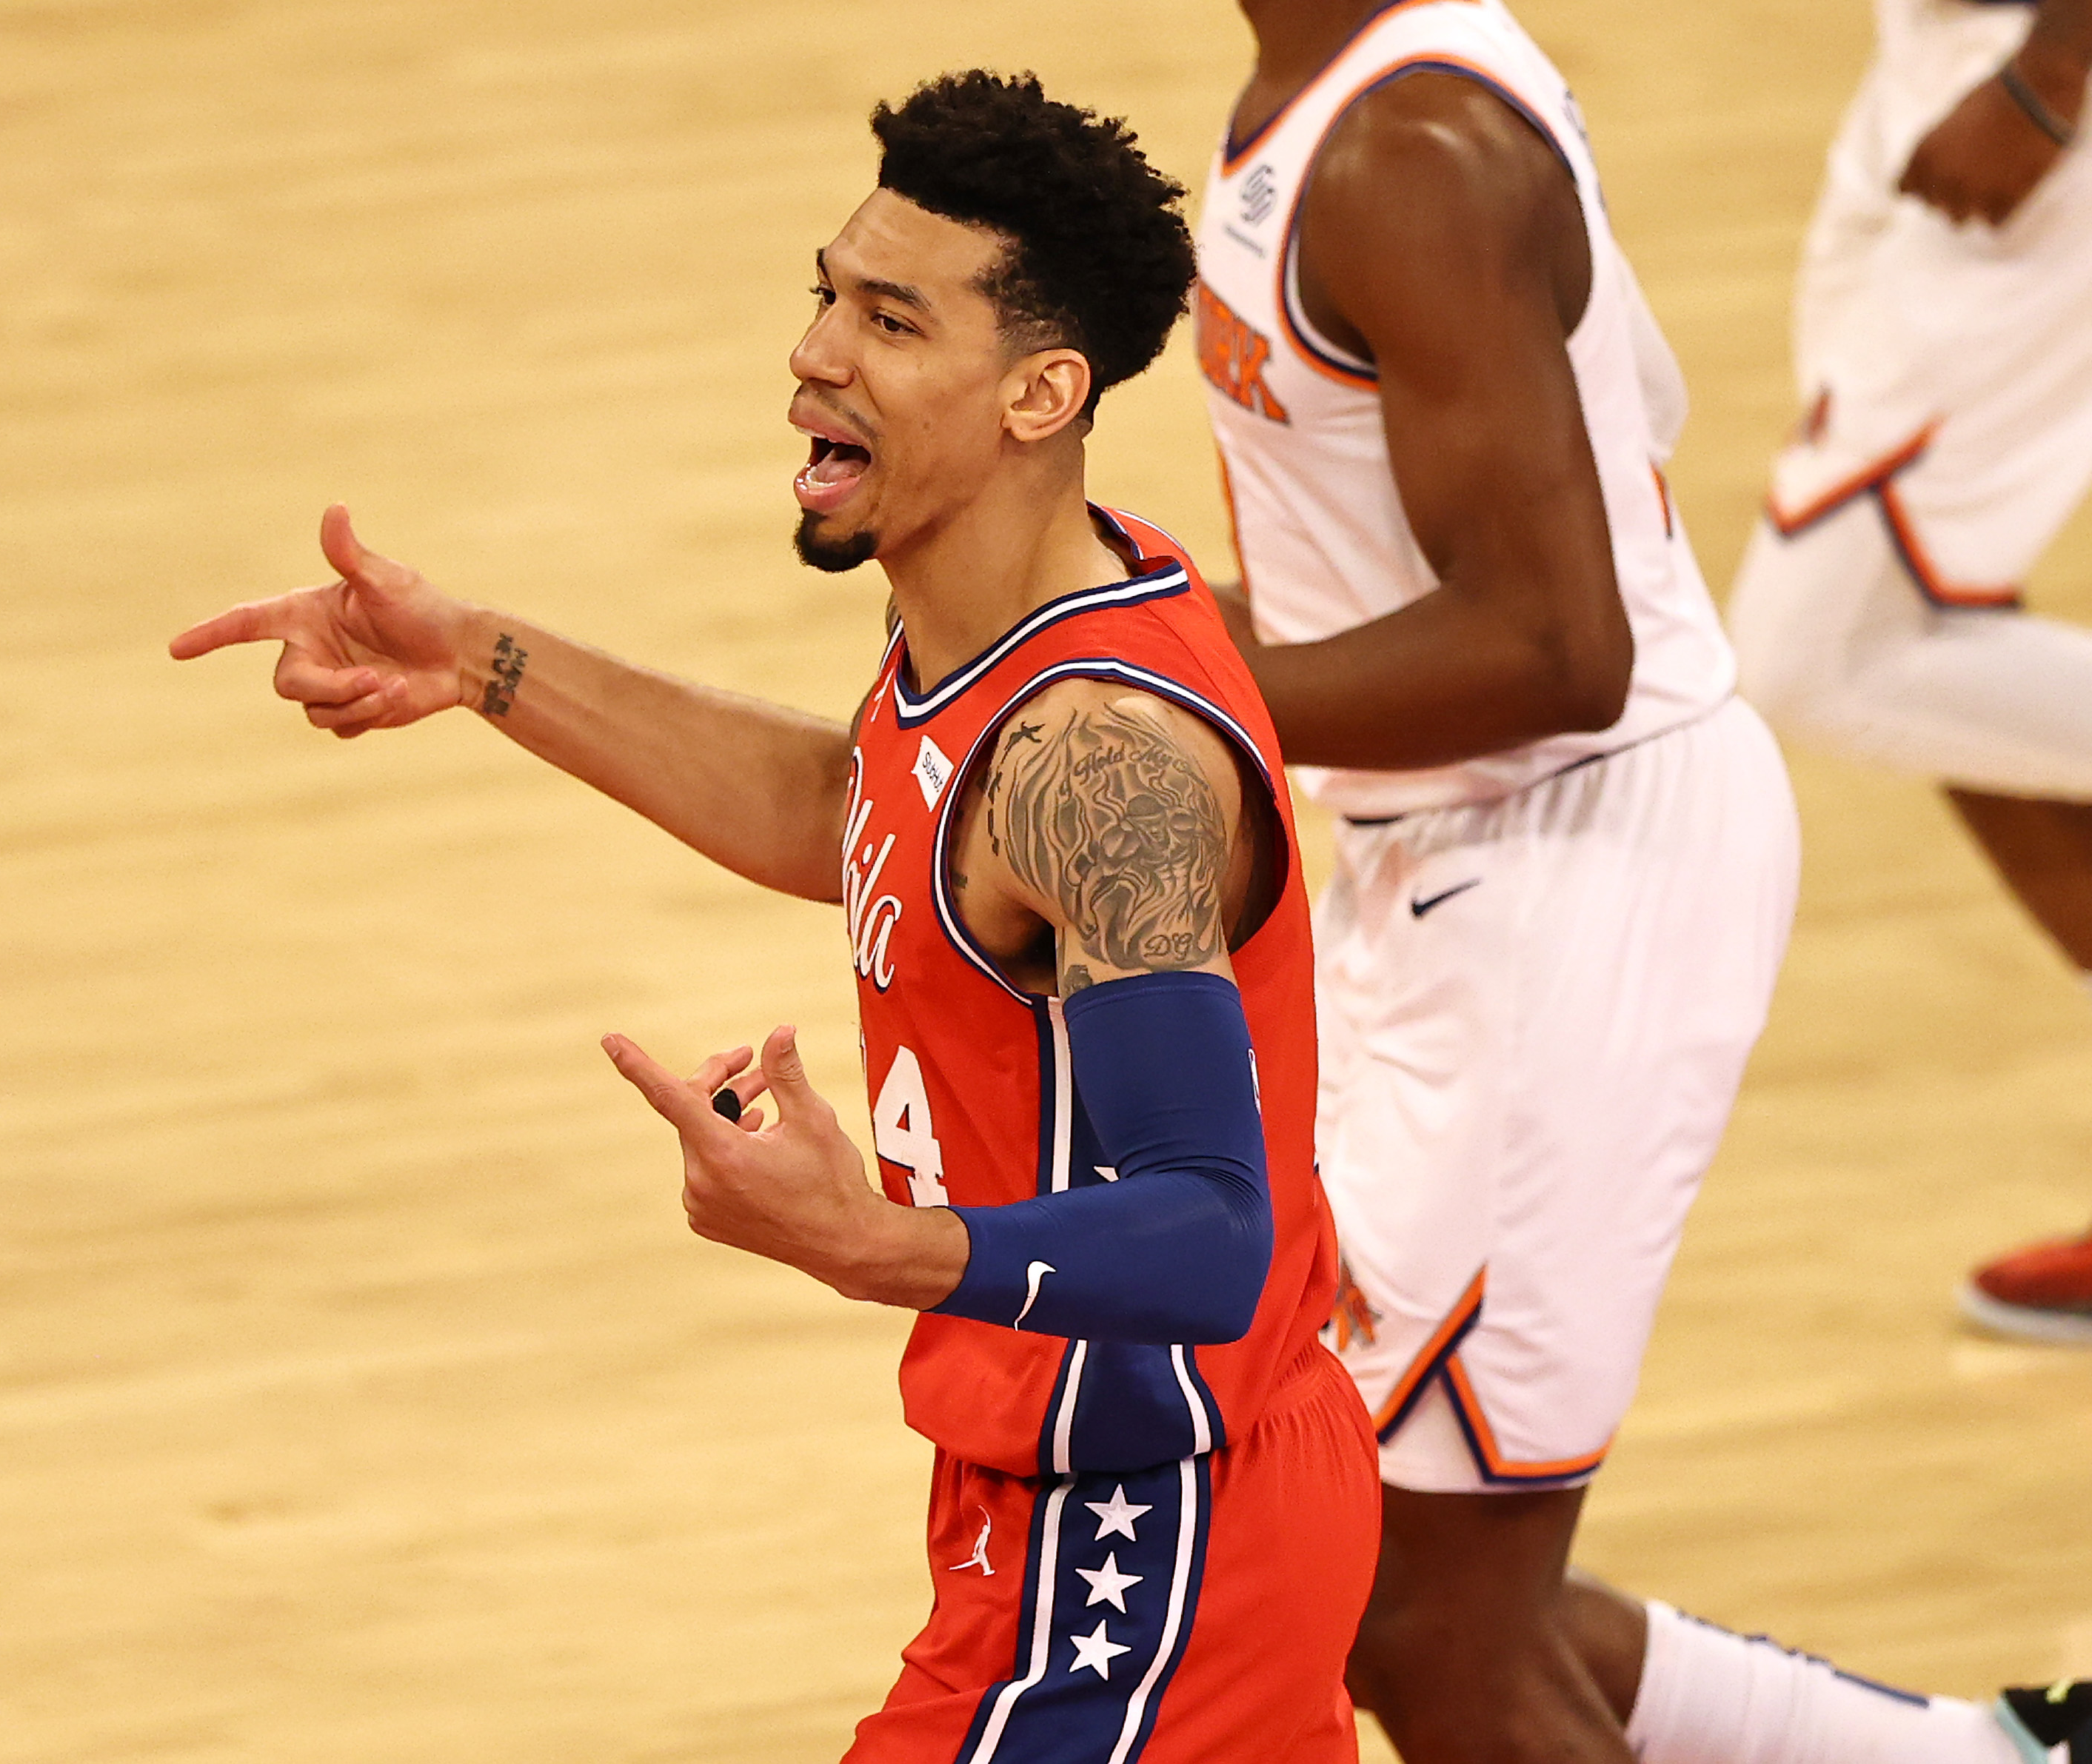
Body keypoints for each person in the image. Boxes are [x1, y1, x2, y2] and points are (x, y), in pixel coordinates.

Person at [170, 70, 1380, 1764]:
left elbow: (1208, 1231)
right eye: (827, 292)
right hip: (1092, 1502)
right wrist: (483, 665)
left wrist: (860, 1238)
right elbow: (857, 814)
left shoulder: (1101, 762)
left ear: (1042, 389)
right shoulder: (1016, 617)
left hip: (1146, 1548)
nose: (818, 351)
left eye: (891, 320)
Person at [1193, 1, 2087, 1760]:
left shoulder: (1410, 156)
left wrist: (1157, 678)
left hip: (1560, 882)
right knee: (1375, 1577)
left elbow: (1553, 642)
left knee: (1428, 1620)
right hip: (1446, 861)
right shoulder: (1332, 93)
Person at [1726, 0, 2092, 1347]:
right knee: (1946, 627)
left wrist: (2057, 58)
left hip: (2041, 85)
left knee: (1827, 652)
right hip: (1932, 71)